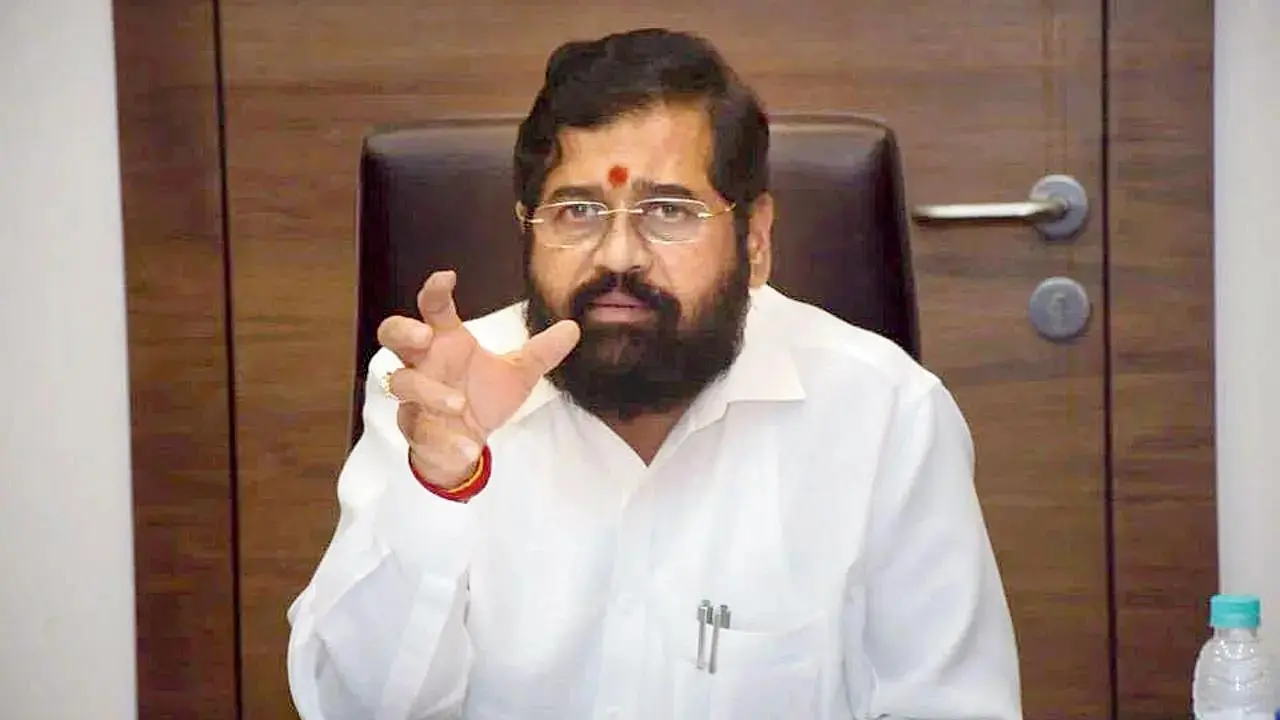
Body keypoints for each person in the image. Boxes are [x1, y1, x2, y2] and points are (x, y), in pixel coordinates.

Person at [286, 27, 1022, 720]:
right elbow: (353, 707)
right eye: (577, 211)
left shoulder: (883, 412)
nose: (617, 256)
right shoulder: (434, 397)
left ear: (756, 240)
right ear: (527, 228)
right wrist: (439, 490)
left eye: (668, 210)